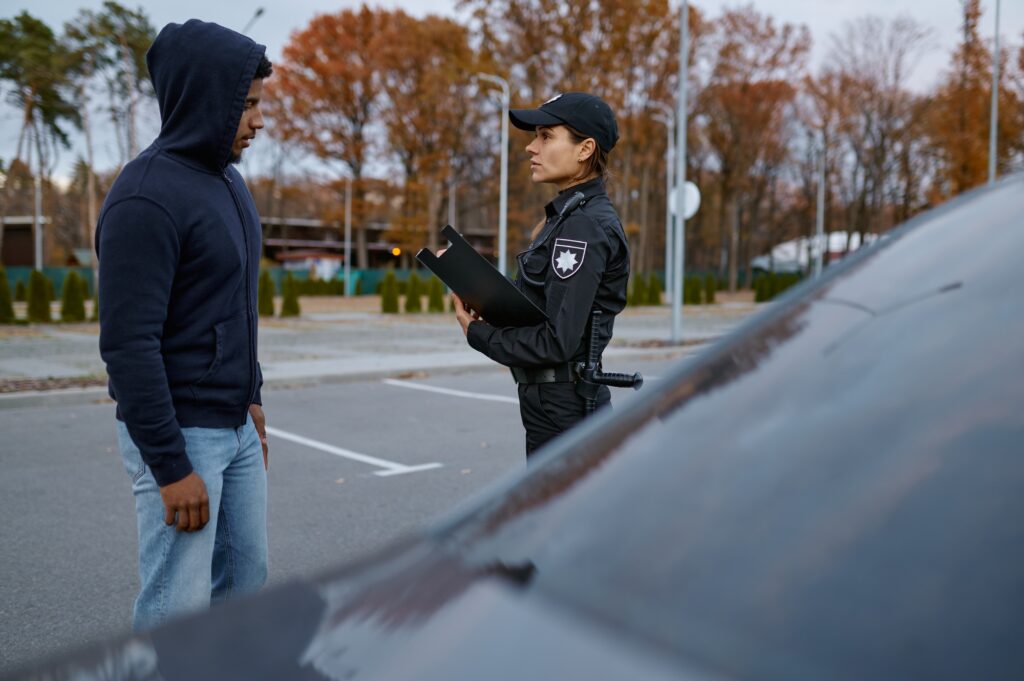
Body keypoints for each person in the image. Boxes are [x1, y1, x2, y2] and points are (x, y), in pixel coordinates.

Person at [97, 19, 272, 630]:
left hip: (234, 426)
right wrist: (171, 467)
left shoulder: (229, 184)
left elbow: (233, 306)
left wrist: (250, 396)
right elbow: (127, 345)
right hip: (181, 434)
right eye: (247, 106)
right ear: (207, 99)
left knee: (245, 587)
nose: (257, 120)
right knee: (177, 607)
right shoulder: (145, 197)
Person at [451, 92, 630, 456]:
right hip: (554, 406)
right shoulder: (567, 218)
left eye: (546, 136)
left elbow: (557, 341)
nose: (531, 147)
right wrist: (489, 300)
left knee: (566, 513)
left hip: (567, 411)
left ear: (585, 149)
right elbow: (542, 310)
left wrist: (479, 333)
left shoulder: (584, 227)